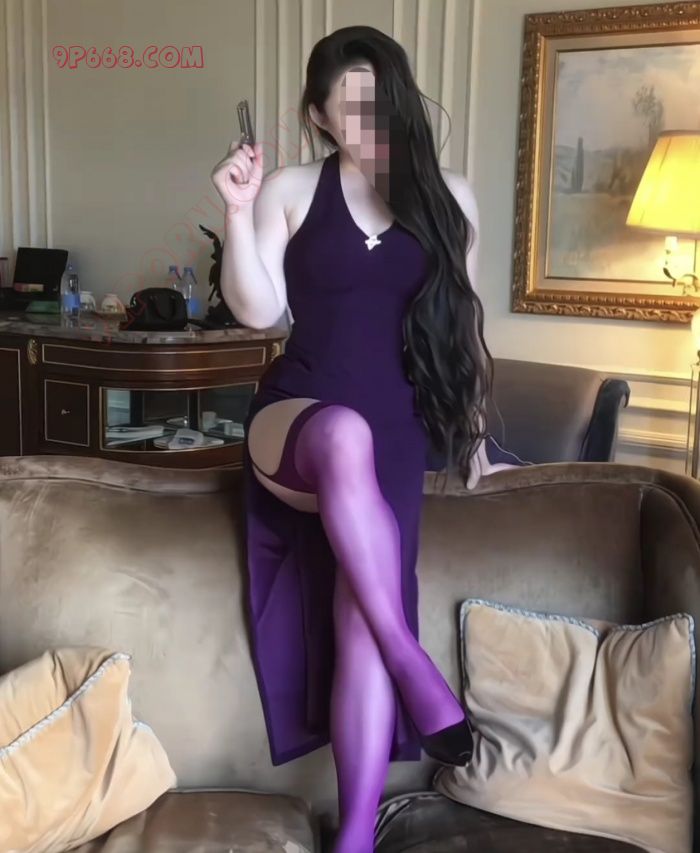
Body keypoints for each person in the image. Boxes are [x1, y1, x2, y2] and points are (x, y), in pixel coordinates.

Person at [210, 25, 526, 853]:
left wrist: (476, 431)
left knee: (361, 614)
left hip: (396, 435)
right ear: (319, 115)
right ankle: (414, 664)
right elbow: (257, 310)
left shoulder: (450, 197)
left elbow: (464, 327)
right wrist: (238, 212)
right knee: (342, 432)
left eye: (379, 98)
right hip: (296, 422)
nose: (368, 117)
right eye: (346, 105)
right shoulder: (290, 188)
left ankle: (354, 835)